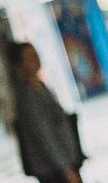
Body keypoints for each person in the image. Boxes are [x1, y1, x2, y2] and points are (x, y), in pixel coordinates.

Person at [7, 41, 85, 183]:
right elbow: (44, 136)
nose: (35, 60)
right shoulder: (27, 97)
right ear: (19, 65)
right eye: (29, 57)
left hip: (65, 162)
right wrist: (66, 168)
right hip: (54, 171)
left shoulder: (41, 87)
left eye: (35, 55)